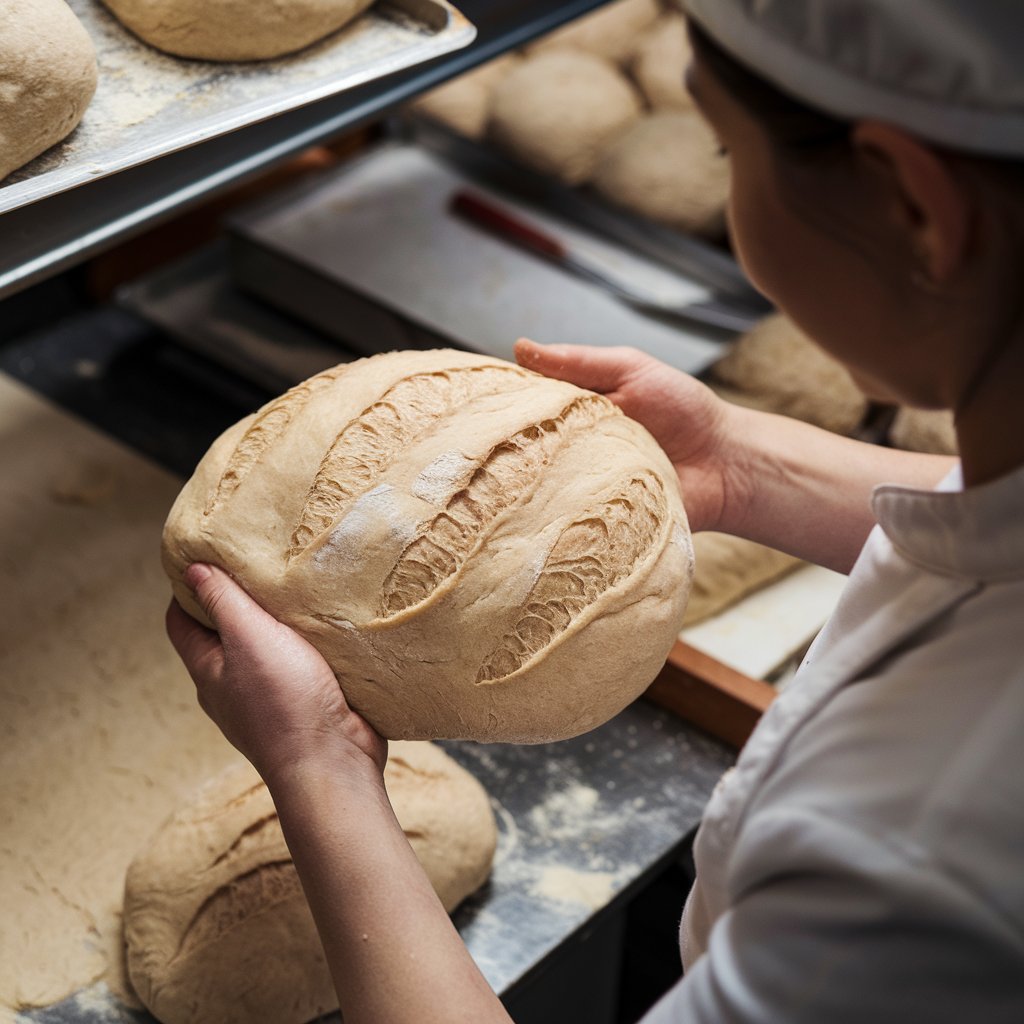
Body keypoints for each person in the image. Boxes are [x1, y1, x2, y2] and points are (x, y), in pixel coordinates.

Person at [167, 2, 1024, 1020]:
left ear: (914, 207)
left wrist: (323, 768)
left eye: (724, 147)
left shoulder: (912, 867)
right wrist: (739, 466)